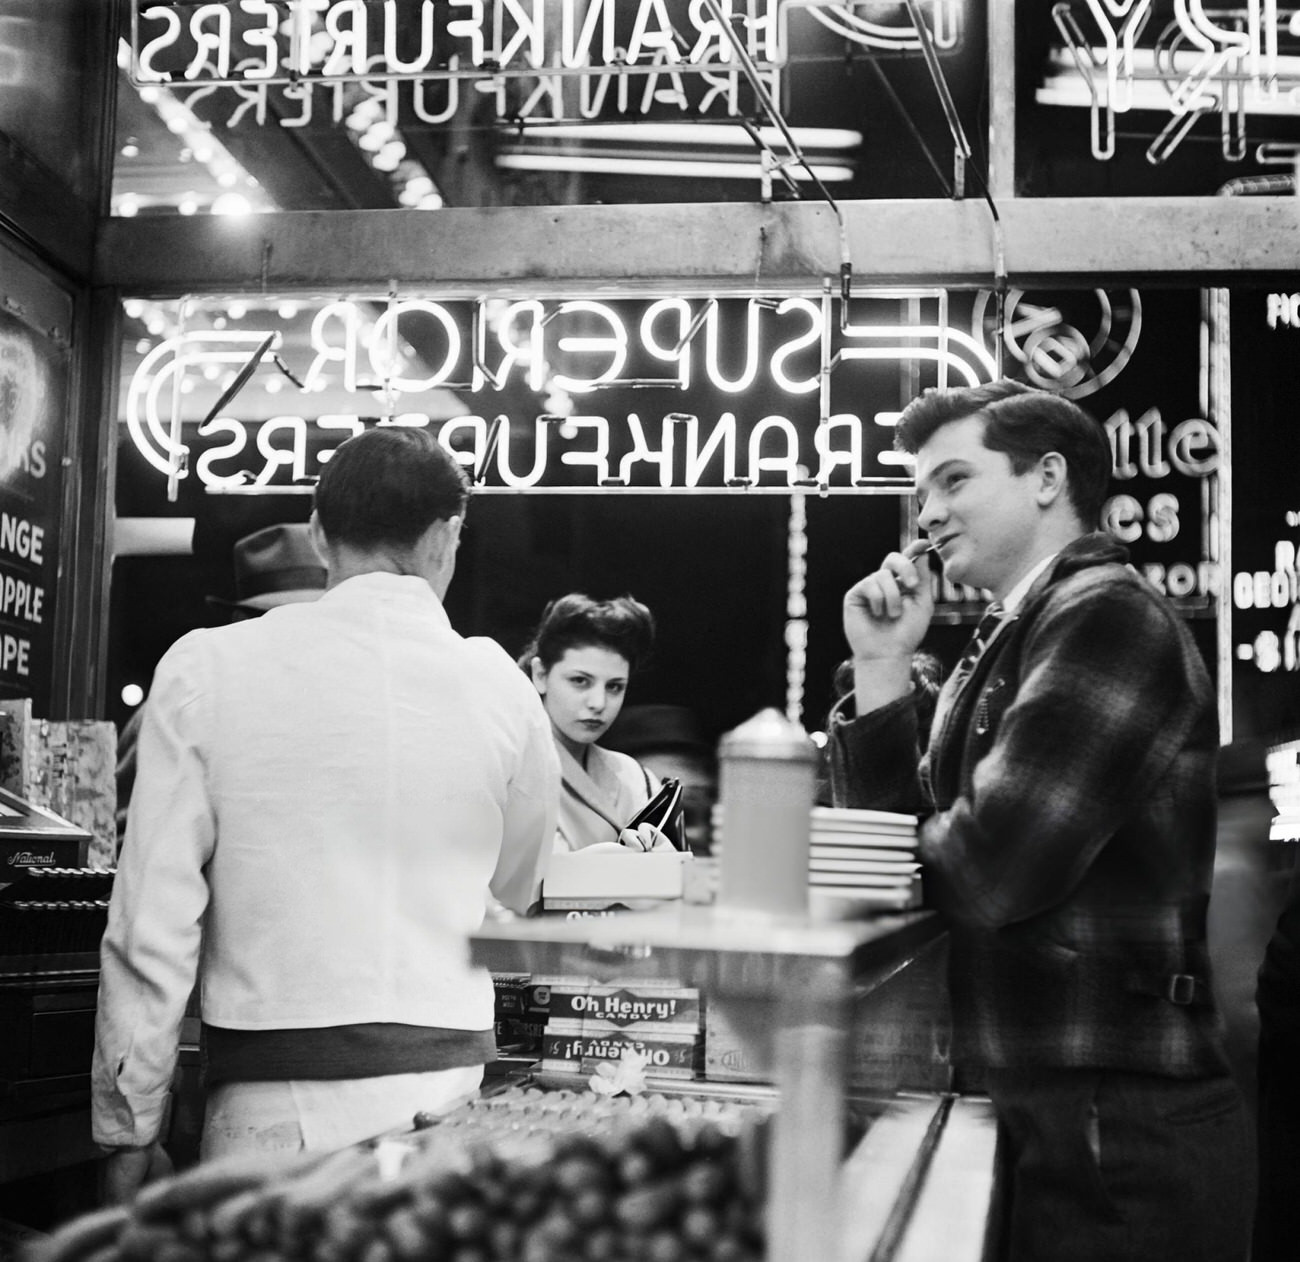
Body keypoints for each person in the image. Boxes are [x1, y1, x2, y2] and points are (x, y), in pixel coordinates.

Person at [827, 380, 1252, 1261]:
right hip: (1057, 1104)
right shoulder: (1020, 630)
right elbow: (909, 870)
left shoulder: (1105, 612)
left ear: (1048, 477)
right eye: (920, 495)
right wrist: (879, 668)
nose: (927, 516)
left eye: (952, 481)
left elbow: (988, 871)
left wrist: (873, 862)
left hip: (1116, 1125)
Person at [93, 427, 559, 1201]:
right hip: (448, 1098)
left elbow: (150, 921)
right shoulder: (501, 686)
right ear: (447, 538)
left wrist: (129, 1126)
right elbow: (518, 887)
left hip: (270, 1107)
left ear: (318, 531)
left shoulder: (208, 668)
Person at [520, 592, 673, 853]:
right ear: (541, 675)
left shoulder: (635, 778)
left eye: (614, 687)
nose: (598, 703)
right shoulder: (513, 768)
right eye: (580, 681)